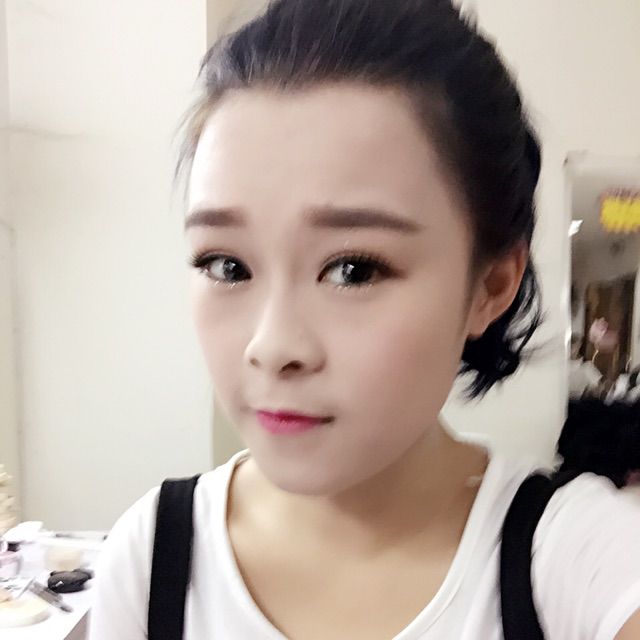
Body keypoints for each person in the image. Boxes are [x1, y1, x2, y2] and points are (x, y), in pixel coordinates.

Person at [88, 1, 640, 638]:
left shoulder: (577, 563)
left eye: (353, 269)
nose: (273, 347)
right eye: (226, 265)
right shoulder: (152, 560)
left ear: (490, 284)